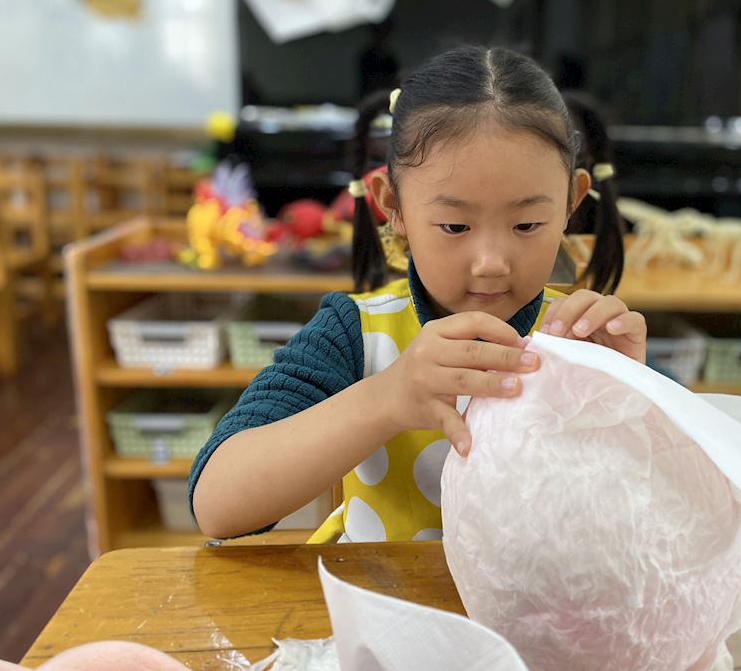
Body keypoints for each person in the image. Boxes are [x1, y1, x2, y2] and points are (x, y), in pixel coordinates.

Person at [190, 46, 645, 543]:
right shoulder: (357, 335)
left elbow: (682, 504)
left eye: (527, 224)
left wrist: (635, 402)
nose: (491, 262)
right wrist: (385, 398)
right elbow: (217, 507)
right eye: (455, 225)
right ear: (394, 207)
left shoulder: (589, 338)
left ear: (571, 203)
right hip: (379, 591)